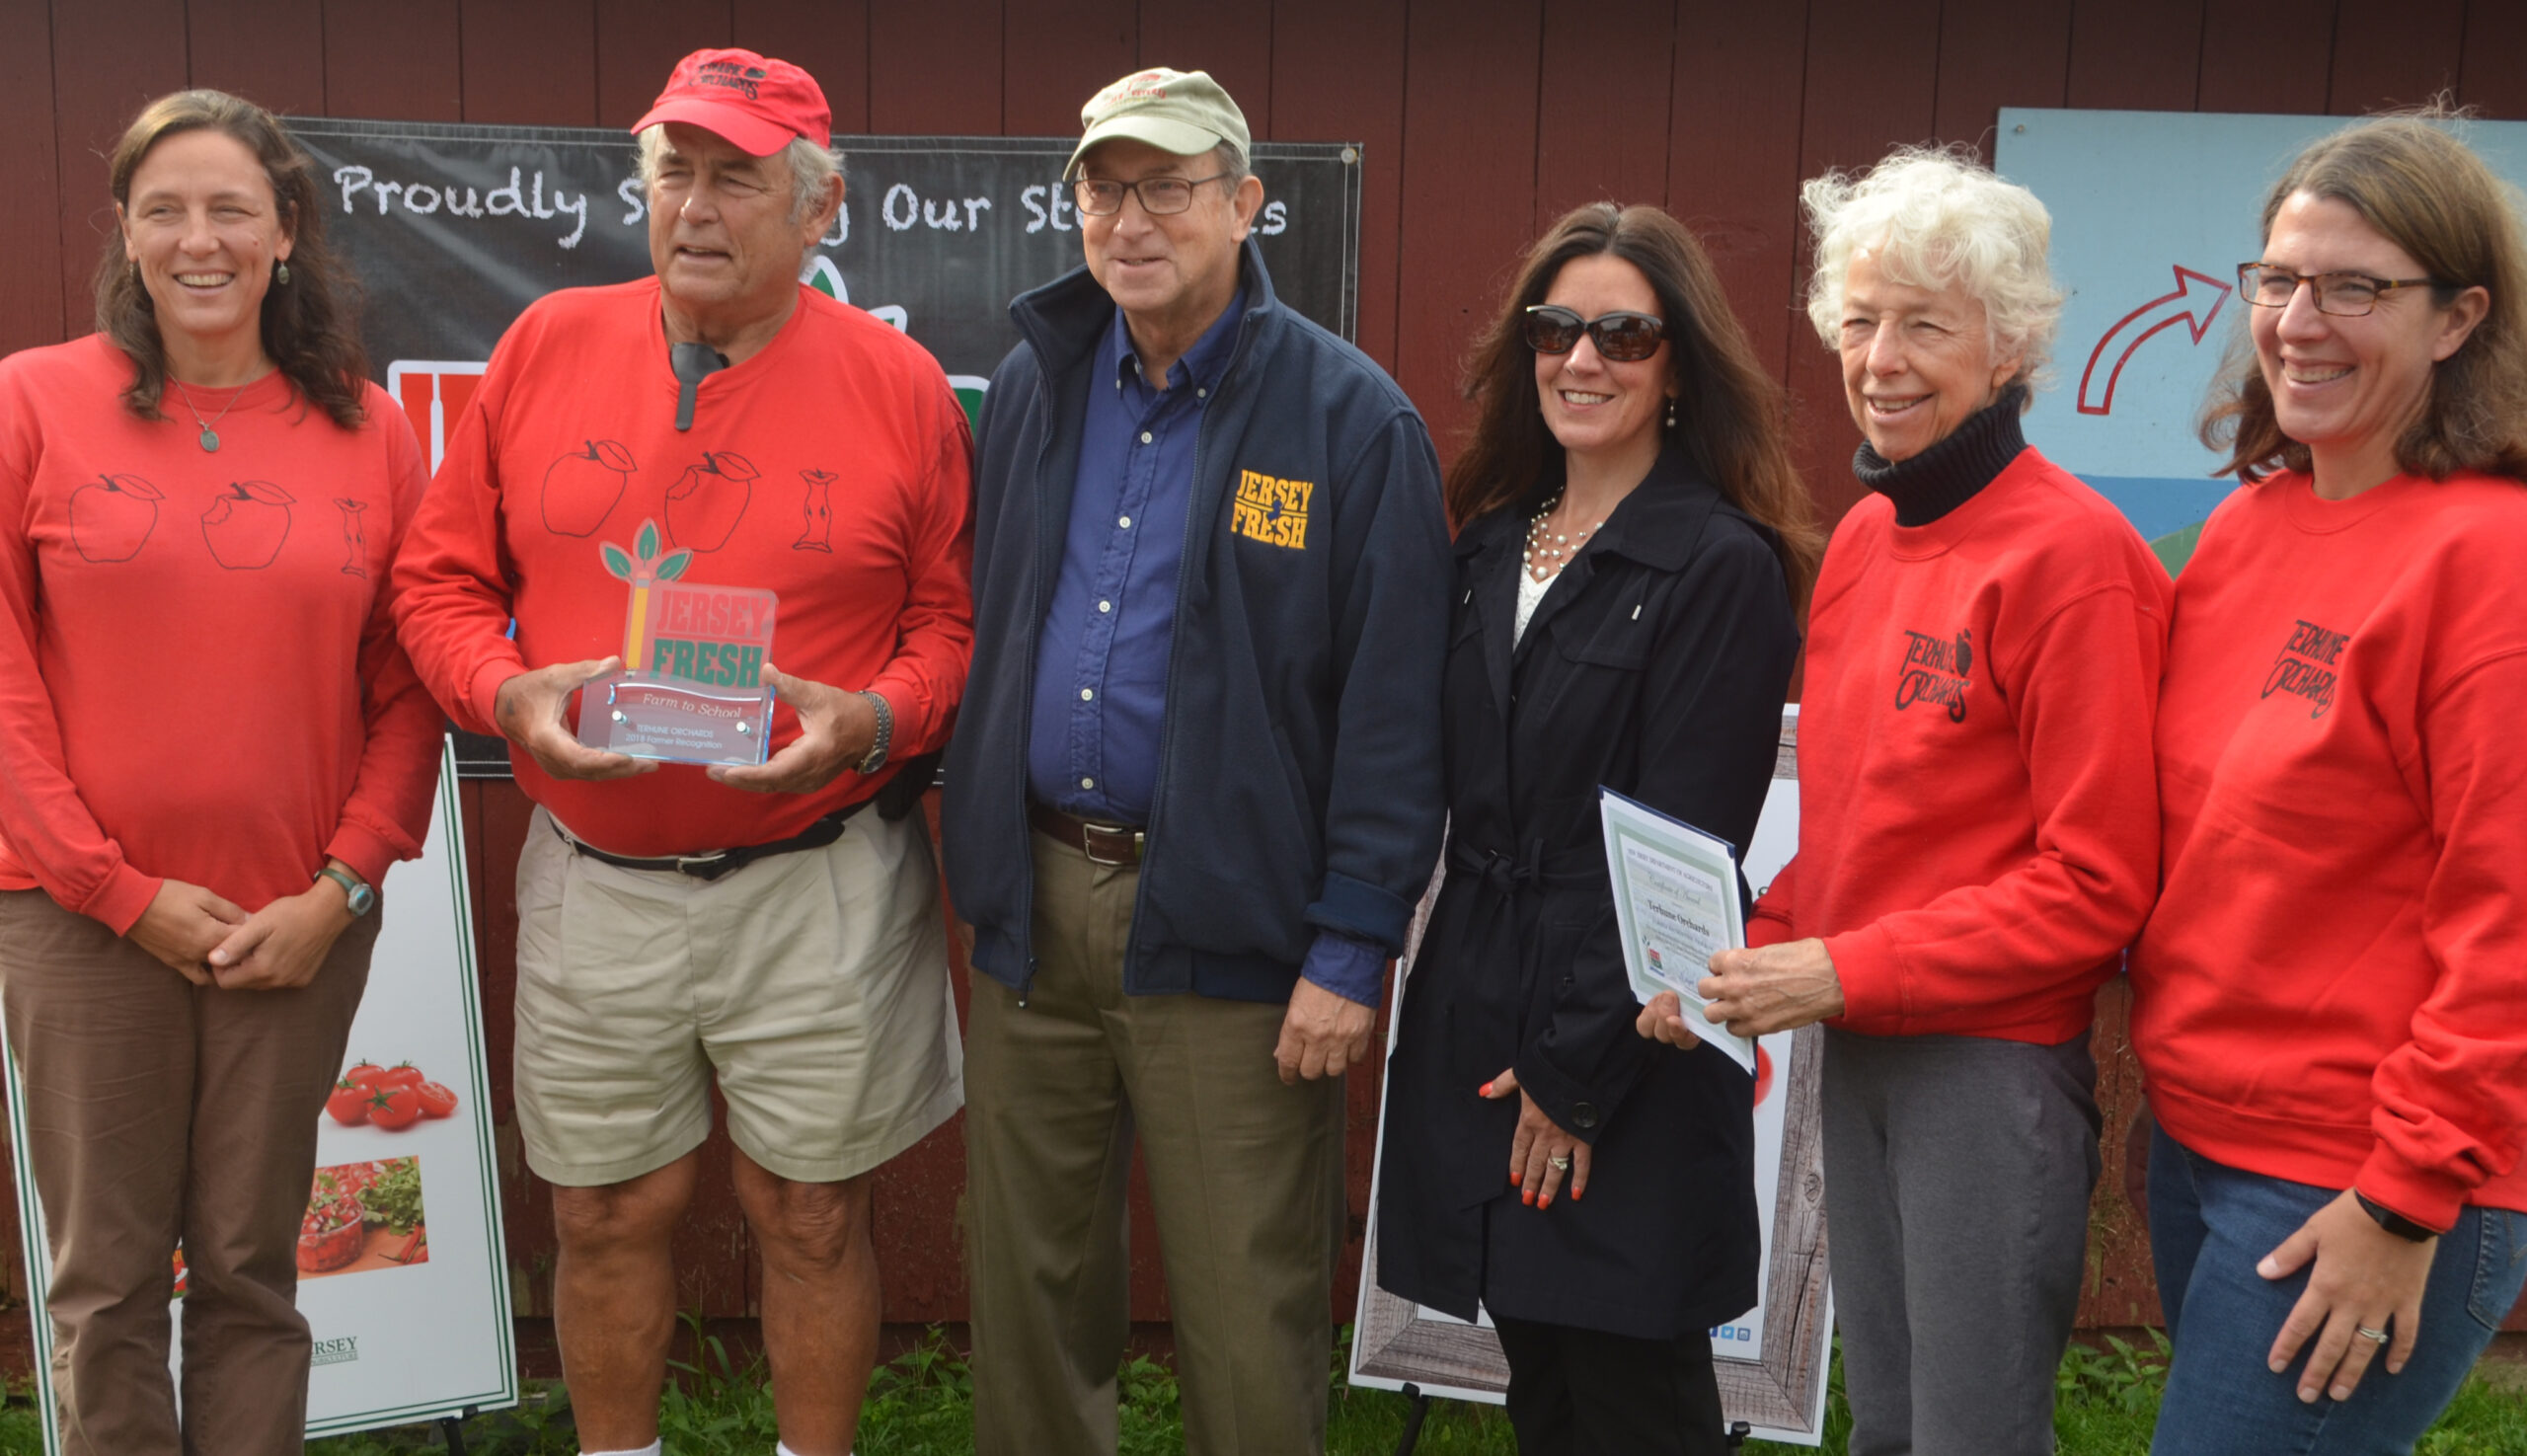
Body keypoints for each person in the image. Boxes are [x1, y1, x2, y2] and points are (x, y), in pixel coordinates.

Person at [391, 47, 971, 1456]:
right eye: (677, 172)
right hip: (597, 876)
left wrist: (876, 718)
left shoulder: (903, 385)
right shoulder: (543, 346)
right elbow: (438, 581)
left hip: (819, 876)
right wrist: (506, 691)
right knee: (598, 1208)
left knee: (813, 1209)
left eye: (739, 177)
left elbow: (950, 622)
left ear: (820, 207)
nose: (699, 207)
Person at [939, 66, 1451, 1456]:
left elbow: (1398, 715)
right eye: (1105, 187)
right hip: (1038, 907)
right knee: (1032, 1302)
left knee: (1245, 1312)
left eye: (1168, 185)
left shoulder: (1354, 422)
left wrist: (1352, 947)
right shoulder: (1045, 384)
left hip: (1237, 931)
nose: (1131, 217)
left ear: (1245, 201)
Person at [1640, 146, 2173, 1454]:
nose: (1882, 358)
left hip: (1986, 1071)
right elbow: (1854, 836)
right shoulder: (1869, 539)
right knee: (1887, 1423)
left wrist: (1832, 966)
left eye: (1926, 325)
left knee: (1972, 1436)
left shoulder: (2077, 558)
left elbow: (2098, 883)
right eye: (1862, 321)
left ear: (2011, 347)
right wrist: (1735, 958)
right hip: (1861, 1039)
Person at [0, 89, 440, 1454]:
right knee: (106, 1285)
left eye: (232, 209)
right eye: (167, 209)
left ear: (287, 233)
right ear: (126, 233)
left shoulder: (371, 431)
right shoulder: (31, 397)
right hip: (83, 922)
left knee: (254, 1274)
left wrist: (341, 888)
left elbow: (408, 681)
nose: (202, 239)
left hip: (289, 931)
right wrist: (113, 886)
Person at [1374, 202, 1815, 1454]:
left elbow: (1687, 847)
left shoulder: (1718, 566)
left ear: (1679, 368)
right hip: (1476, 1010)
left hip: (1625, 1043)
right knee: (1545, 1391)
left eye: (1624, 334)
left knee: (1635, 1398)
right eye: (1557, 328)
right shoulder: (1486, 550)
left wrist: (1572, 1078)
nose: (1584, 359)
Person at [2129, 115, 2527, 1455]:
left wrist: (2405, 1198)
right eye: (2280, 279)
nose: (2299, 320)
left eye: (2356, 286)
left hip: (2365, 1173)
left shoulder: (2493, 560)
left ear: (2460, 316)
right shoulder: (2246, 529)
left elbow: (2510, 921)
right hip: (2199, 1138)